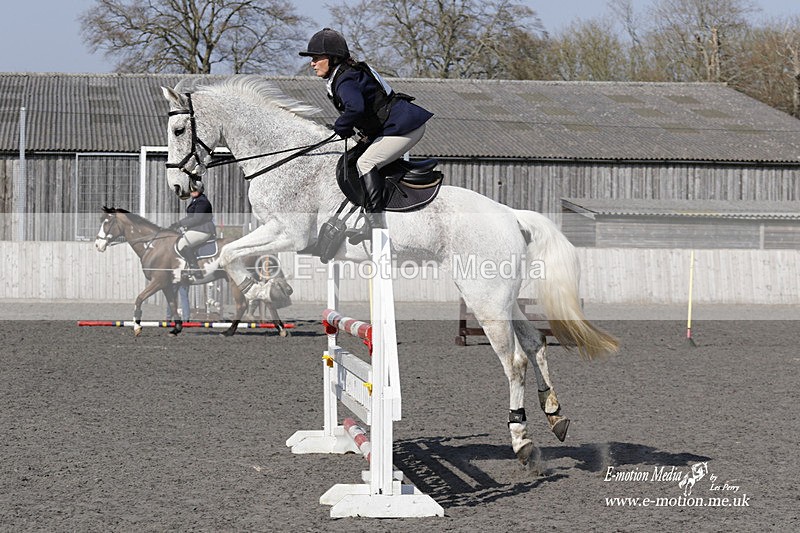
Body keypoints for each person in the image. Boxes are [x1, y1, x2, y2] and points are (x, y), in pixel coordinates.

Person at [299, 28, 433, 241]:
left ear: (333, 58)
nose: (312, 63)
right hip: (391, 126)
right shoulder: (344, 74)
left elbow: (356, 108)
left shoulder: (345, 79)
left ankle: (375, 224)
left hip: (405, 127)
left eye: (317, 58)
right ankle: (367, 216)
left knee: (366, 164)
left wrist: (340, 128)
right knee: (353, 161)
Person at [169, 181, 215, 278]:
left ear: (200, 190)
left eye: (195, 190)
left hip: (203, 229)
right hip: (197, 229)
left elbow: (197, 219)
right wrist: (177, 224)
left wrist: (180, 224)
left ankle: (195, 269)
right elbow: (190, 217)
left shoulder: (202, 202)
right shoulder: (195, 200)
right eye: (191, 189)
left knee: (182, 244)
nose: (193, 191)